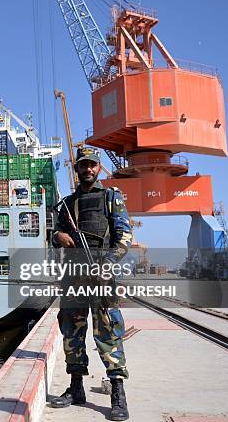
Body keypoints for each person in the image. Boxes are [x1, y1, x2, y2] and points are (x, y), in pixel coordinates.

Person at [50, 146, 132, 421]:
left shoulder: (111, 197)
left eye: (92, 165)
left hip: (102, 275)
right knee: (71, 332)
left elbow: (124, 237)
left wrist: (106, 264)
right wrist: (59, 237)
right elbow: (54, 234)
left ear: (98, 168)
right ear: (77, 169)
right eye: (83, 165)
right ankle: (75, 388)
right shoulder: (67, 204)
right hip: (73, 274)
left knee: (108, 331)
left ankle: (118, 393)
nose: (87, 169)